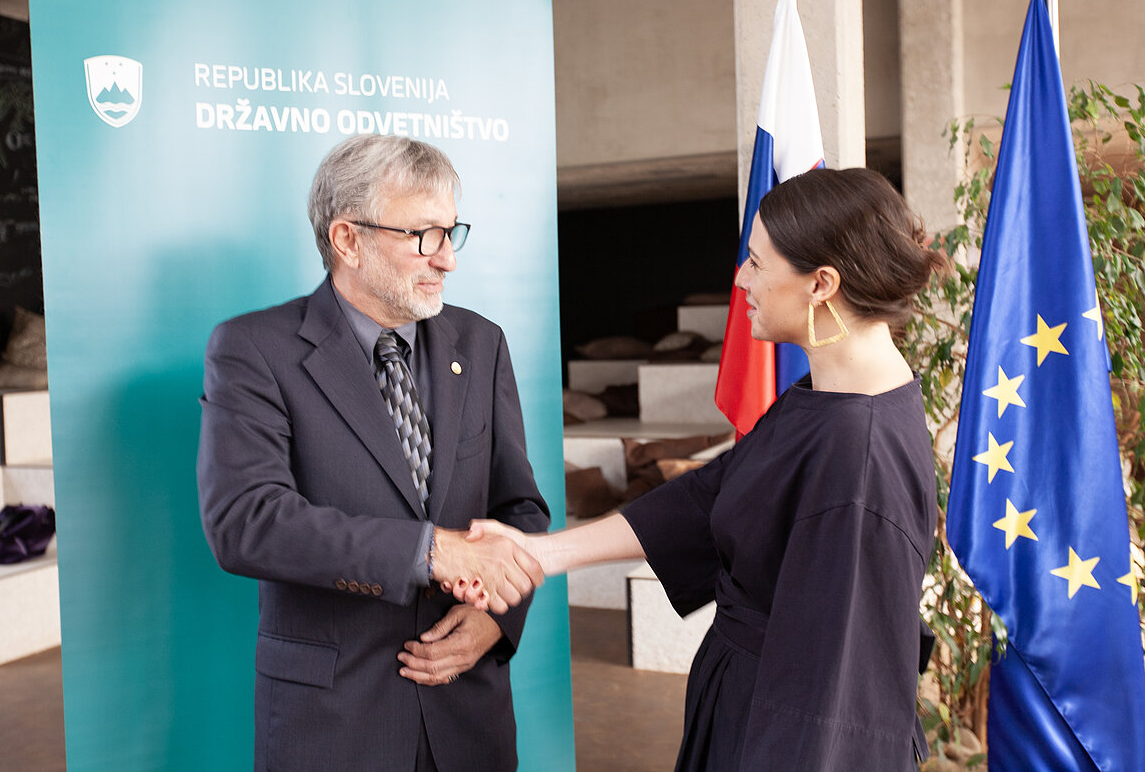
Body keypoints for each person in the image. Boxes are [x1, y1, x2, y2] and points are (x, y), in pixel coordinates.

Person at [470, 167, 944, 771]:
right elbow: (708, 495)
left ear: (821, 283)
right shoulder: (829, 396)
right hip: (745, 698)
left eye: (756, 262)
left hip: (778, 733)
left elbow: (831, 710)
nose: (741, 279)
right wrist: (540, 555)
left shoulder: (860, 456)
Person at [197, 135, 549, 772]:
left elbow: (520, 508)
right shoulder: (254, 349)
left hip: (469, 716)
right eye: (423, 235)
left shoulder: (483, 341)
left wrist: (496, 622)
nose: (446, 260)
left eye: (452, 232)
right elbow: (246, 523)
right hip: (333, 723)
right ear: (348, 239)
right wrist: (433, 551)